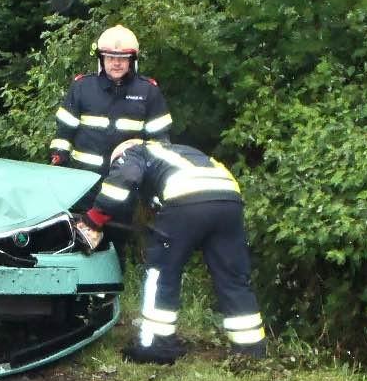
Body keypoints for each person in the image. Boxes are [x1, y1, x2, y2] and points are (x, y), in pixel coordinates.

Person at [72, 139, 267, 364]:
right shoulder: (181, 151)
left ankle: (156, 346)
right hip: (229, 200)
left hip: (187, 199)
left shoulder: (135, 152)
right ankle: (251, 351)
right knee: (234, 278)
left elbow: (125, 178)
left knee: (162, 272)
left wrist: (94, 219)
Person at [50, 25, 173, 176]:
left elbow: (160, 142)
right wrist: (59, 159)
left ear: (131, 60)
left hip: (126, 178)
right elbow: (63, 133)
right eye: (110, 57)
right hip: (82, 179)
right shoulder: (82, 87)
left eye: (122, 58)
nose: (116, 63)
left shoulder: (148, 91)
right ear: (102, 59)